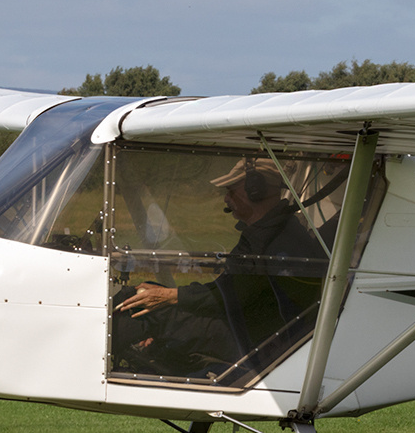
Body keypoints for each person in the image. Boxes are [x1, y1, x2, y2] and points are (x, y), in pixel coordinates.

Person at [113, 159, 327, 379]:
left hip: (254, 339)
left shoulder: (277, 241)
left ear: (256, 191)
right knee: (145, 296)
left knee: (142, 307)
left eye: (231, 191)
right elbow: (228, 290)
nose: (226, 199)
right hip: (244, 325)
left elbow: (233, 295)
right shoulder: (267, 232)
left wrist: (171, 296)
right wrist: (168, 295)